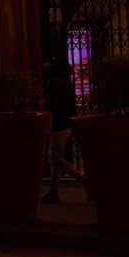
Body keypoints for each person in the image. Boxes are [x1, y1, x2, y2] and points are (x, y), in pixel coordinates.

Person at [42, 57, 82, 202]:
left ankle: (83, 179)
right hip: (67, 123)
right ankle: (54, 190)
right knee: (54, 157)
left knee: (54, 157)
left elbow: (51, 104)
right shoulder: (68, 83)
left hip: (57, 123)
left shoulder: (52, 83)